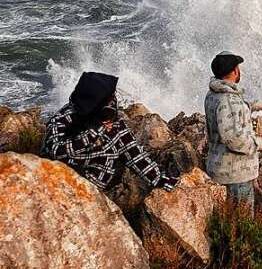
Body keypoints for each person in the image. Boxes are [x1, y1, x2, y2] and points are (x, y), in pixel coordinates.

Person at [43, 71, 178, 193]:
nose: (114, 101)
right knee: (109, 151)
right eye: (109, 98)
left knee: (113, 148)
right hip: (58, 178)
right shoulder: (64, 119)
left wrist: (160, 180)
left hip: (90, 187)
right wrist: (95, 130)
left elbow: (134, 153)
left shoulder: (111, 121)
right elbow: (55, 151)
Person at [204, 51, 262, 213]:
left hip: (221, 169)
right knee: (242, 223)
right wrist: (259, 143)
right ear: (235, 71)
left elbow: (228, 115)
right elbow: (233, 137)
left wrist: (251, 105)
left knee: (227, 222)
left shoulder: (214, 94)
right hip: (235, 174)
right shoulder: (228, 100)